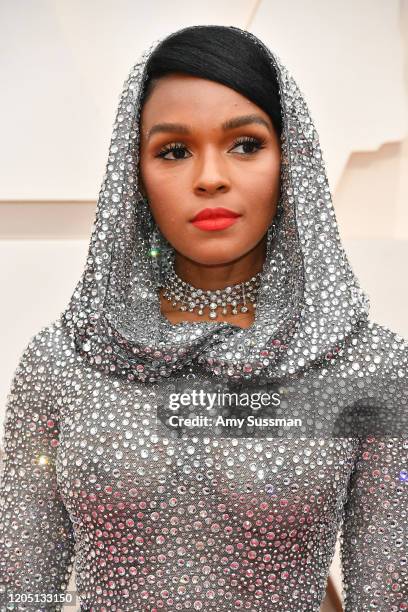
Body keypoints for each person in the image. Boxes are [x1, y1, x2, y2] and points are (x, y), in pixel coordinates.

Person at [0, 24, 406, 612]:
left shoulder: (366, 367)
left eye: (245, 144)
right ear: (132, 176)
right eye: (174, 150)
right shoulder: (65, 362)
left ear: (291, 160)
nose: (210, 177)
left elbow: (388, 593)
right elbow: (20, 587)